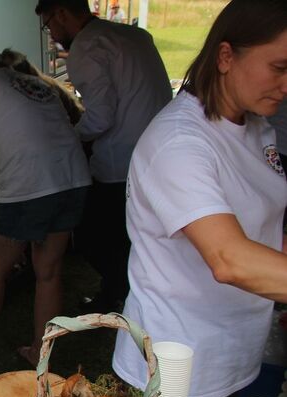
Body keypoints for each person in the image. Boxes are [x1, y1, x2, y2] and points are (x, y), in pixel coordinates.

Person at [111, 0, 287, 397]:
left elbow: (266, 221)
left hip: (242, 350)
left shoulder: (256, 124)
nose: (286, 84)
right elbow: (229, 259)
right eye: (279, 67)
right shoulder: (179, 142)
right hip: (179, 372)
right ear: (226, 57)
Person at [0, 50, 91, 369]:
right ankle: (41, 351)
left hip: (28, 187)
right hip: (73, 179)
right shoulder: (36, 82)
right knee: (49, 271)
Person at [35, 0, 171, 313]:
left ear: (62, 13)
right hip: (159, 151)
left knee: (93, 235)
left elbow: (100, 117)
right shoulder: (135, 36)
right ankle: (116, 293)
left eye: (49, 25)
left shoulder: (86, 47)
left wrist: (65, 140)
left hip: (121, 161)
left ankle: (123, 294)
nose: (52, 34)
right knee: (136, 233)